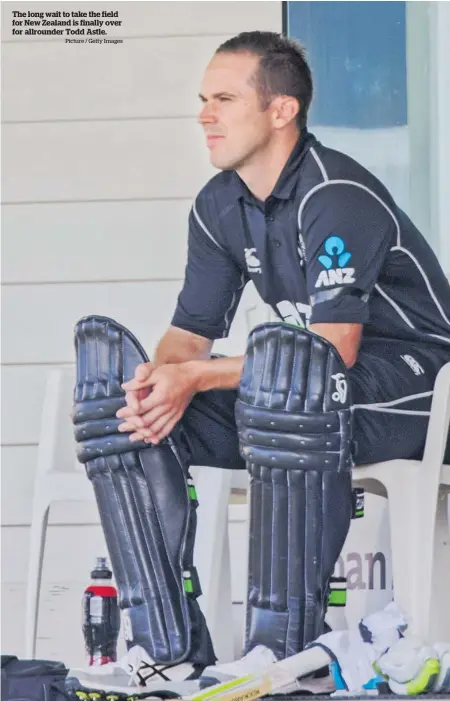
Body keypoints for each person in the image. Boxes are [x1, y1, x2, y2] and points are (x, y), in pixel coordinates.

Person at [84, 31, 450, 683]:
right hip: (314, 387)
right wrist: (162, 380)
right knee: (130, 420)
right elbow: (188, 336)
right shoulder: (218, 206)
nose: (204, 114)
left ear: (281, 110)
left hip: (419, 389)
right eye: (202, 99)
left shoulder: (334, 194)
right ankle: (168, 646)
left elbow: (335, 348)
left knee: (295, 390)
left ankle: (284, 643)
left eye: (224, 98)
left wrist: (195, 375)